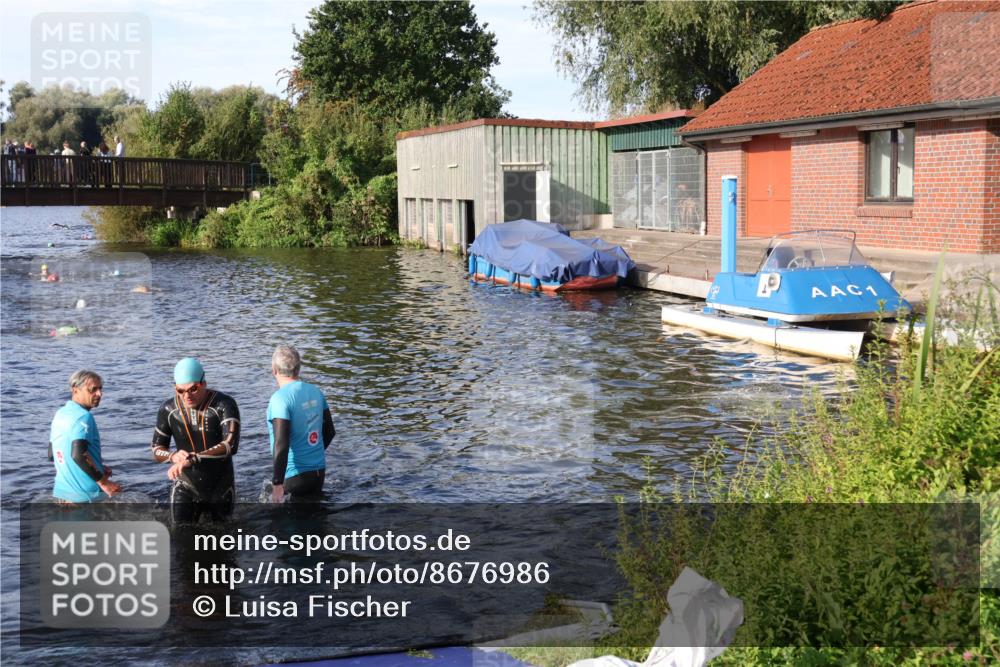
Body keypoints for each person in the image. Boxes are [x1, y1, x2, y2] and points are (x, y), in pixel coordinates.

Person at [150, 357, 240, 523]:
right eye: (180, 391)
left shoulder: (224, 404)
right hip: (186, 485)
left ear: (203, 383)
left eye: (193, 389)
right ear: (175, 388)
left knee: (224, 541)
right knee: (178, 539)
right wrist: (172, 456)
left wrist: (193, 458)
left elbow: (230, 445)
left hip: (220, 486)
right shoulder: (168, 409)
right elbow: (156, 448)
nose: (187, 396)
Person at [267, 345, 335, 502]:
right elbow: (330, 432)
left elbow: (281, 443)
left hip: (294, 476)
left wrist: (277, 483)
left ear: (274, 369)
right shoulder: (316, 392)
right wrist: (312, 454)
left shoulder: (280, 399)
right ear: (298, 368)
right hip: (318, 473)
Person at [49, 370, 121, 502]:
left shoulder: (60, 414)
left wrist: (97, 467)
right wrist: (104, 483)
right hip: (86, 496)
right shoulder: (84, 416)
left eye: (100, 389)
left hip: (62, 494)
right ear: (75, 390)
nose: (99, 394)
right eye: (93, 390)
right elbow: (78, 454)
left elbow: (52, 454)